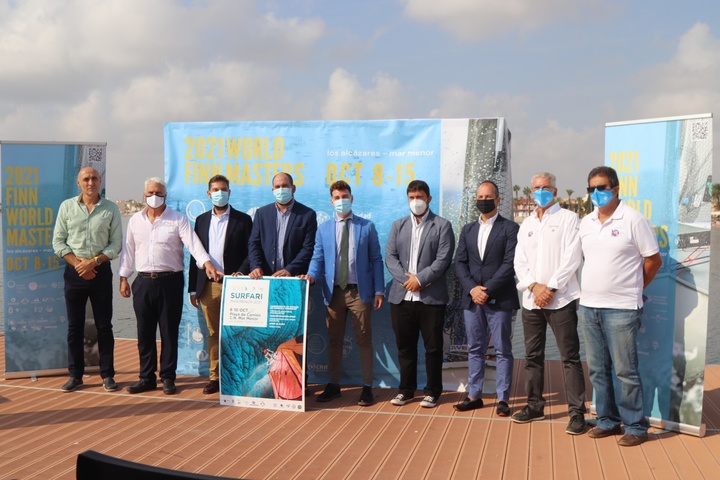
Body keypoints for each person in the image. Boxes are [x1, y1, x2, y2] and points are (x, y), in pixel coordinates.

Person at [578, 166, 662, 447]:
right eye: (592, 189)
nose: (597, 193)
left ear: (615, 189)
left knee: (625, 371)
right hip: (589, 307)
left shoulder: (633, 220)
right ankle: (607, 420)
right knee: (598, 370)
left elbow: (653, 261)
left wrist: (634, 289)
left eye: (602, 188)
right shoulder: (586, 222)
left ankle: (636, 426)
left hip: (621, 309)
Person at [118, 177, 219, 395]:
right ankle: (146, 378)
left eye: (158, 193)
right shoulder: (135, 220)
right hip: (143, 281)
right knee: (144, 333)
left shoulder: (177, 219)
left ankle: (168, 377)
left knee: (168, 332)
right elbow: (128, 251)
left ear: (165, 195)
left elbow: (194, 245)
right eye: (150, 193)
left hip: (170, 282)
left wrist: (207, 264)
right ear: (143, 196)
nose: (154, 197)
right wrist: (124, 278)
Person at [511, 172, 587, 434]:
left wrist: (551, 287)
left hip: (561, 299)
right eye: (536, 188)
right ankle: (534, 406)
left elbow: (572, 258)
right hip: (532, 300)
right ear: (531, 192)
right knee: (532, 356)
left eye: (545, 187)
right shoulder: (527, 224)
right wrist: (534, 286)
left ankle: (576, 413)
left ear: (555, 191)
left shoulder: (568, 218)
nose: (540, 191)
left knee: (570, 357)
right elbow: (519, 261)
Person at [300, 181, 385, 406]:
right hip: (333, 292)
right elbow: (317, 258)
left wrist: (379, 290)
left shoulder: (367, 227)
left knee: (364, 340)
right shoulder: (324, 229)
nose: (341, 200)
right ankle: (334, 385)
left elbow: (377, 259)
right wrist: (310, 275)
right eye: (337, 197)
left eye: (344, 196)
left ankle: (367, 387)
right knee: (335, 340)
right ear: (331, 201)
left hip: (360, 293)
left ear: (352, 198)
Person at [52, 167, 123, 392]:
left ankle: (107, 375)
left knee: (104, 326)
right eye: (86, 179)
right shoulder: (66, 207)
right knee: (75, 327)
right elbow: (58, 242)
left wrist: (93, 262)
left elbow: (116, 244)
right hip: (75, 273)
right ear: (78, 182)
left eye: (94, 178)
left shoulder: (111, 208)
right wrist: (80, 265)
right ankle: (76, 375)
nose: (90, 182)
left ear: (100, 181)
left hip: (100, 272)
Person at [386, 180, 455, 408]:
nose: (416, 201)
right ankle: (406, 390)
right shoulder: (398, 225)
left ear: (429, 199)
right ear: (408, 199)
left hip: (431, 298)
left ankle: (433, 391)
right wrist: (408, 281)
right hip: (402, 297)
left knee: (433, 348)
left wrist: (420, 279)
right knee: (405, 348)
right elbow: (391, 258)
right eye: (412, 197)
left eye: (420, 197)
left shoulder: (442, 226)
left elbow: (443, 259)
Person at [453, 180, 519, 416]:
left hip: (499, 298)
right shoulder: (468, 229)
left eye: (488, 197)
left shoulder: (510, 228)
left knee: (502, 349)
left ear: (498, 199)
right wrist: (473, 289)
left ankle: (503, 399)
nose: (483, 201)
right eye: (479, 197)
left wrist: (487, 289)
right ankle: (474, 395)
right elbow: (459, 262)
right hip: (472, 299)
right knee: (475, 348)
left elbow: (509, 264)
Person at [188, 175, 253, 395]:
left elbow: (250, 253)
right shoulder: (201, 220)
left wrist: (241, 272)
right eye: (215, 190)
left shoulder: (244, 220)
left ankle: (239, 375)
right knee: (214, 332)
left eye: (223, 189)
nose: (219, 193)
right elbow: (194, 254)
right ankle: (215, 377)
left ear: (229, 192)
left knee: (238, 332)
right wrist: (193, 288)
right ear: (208, 194)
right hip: (208, 286)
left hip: (236, 285)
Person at [248, 172, 317, 278]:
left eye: (285, 186)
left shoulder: (307, 215)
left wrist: (290, 269)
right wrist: (256, 266)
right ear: (273, 190)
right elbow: (254, 244)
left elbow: (308, 248)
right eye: (277, 187)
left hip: (295, 278)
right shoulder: (262, 214)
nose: (281, 189)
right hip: (266, 277)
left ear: (293, 188)